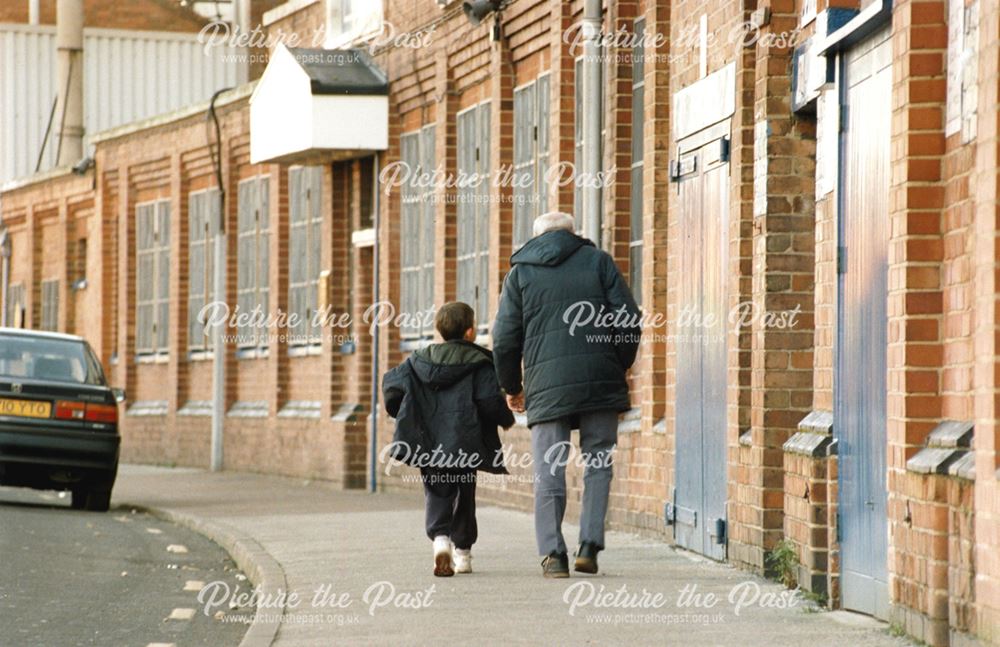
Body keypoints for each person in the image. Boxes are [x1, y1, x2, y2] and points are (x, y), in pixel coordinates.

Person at [492, 212, 641, 578]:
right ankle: (589, 546)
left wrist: (512, 387)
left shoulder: (520, 273)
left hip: (547, 385)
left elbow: (504, 338)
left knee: (548, 468)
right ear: (574, 234)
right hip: (598, 381)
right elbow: (629, 319)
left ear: (536, 237)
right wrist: (617, 364)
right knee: (598, 462)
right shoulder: (599, 261)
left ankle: (553, 555)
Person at [383, 301, 515, 577]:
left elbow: (391, 389)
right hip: (465, 441)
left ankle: (440, 541)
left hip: (428, 441)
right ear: (469, 332)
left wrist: (406, 413)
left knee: (437, 489)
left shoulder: (417, 361)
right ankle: (463, 554)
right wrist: (506, 418)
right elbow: (489, 400)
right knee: (464, 494)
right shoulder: (480, 362)